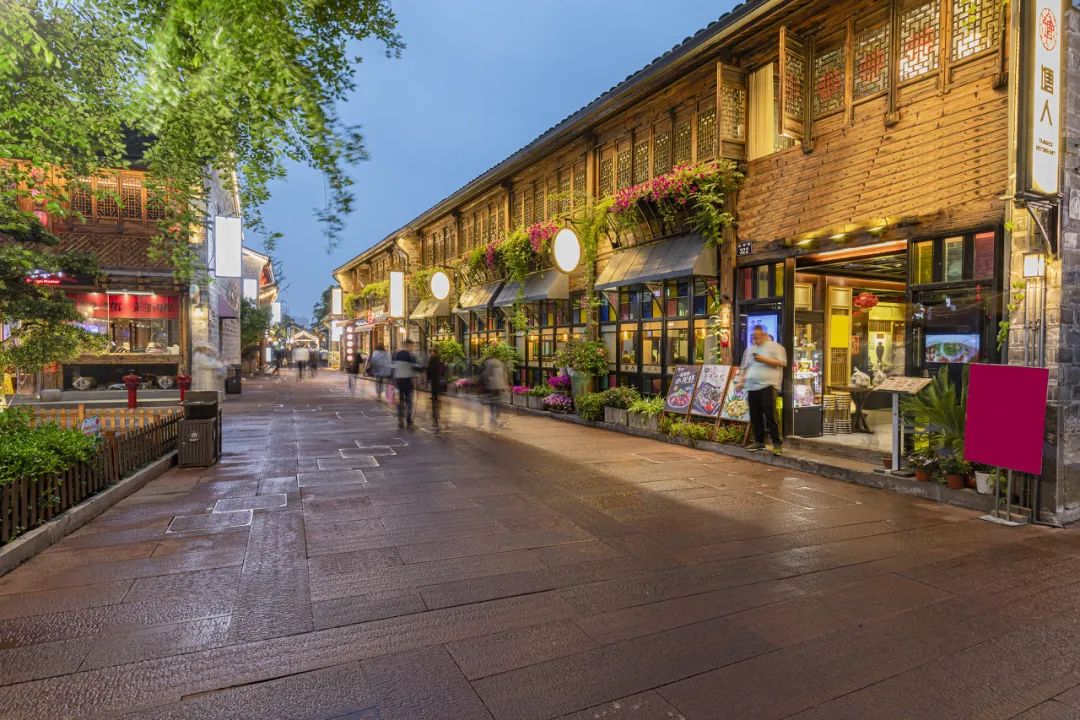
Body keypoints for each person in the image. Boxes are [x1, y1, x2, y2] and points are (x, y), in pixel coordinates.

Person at [737, 323, 787, 455]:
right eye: (753, 336)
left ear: (764, 334)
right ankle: (759, 441)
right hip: (752, 387)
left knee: (771, 415)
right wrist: (741, 381)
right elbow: (745, 368)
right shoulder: (750, 350)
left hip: (768, 385)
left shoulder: (775, 347)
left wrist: (765, 359)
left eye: (758, 336)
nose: (755, 339)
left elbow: (783, 363)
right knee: (755, 416)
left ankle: (777, 444)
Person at [391, 340, 419, 429]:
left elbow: (393, 368)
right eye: (412, 346)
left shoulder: (397, 355)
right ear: (408, 345)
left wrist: (393, 380)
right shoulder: (411, 356)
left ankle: (400, 420)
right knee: (409, 401)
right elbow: (415, 368)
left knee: (400, 401)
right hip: (408, 381)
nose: (413, 348)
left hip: (399, 381)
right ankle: (409, 419)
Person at [482, 354, 509, 430]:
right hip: (500, 386)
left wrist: (486, 384)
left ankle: (493, 418)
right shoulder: (501, 364)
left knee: (492, 402)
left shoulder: (488, 364)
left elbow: (486, 375)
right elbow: (505, 375)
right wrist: (505, 385)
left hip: (492, 386)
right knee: (498, 402)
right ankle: (496, 416)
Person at [425, 346, 446, 430]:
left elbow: (431, 368)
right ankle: (435, 395)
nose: (431, 353)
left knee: (434, 386)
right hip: (435, 376)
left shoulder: (434, 359)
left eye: (432, 352)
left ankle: (435, 396)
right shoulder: (437, 358)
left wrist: (428, 375)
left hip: (434, 376)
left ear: (434, 352)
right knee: (434, 386)